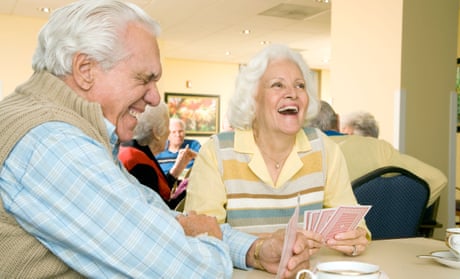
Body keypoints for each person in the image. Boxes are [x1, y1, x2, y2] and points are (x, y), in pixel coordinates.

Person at [0, 1, 312, 278]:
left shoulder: (69, 131)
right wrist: (208, 238)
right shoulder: (52, 144)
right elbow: (190, 271)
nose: (154, 97)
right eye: (144, 78)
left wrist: (254, 251)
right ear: (85, 70)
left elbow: (156, 217)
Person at [184, 44, 370, 257]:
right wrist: (261, 251)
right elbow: (200, 238)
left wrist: (355, 238)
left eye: (300, 86)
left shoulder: (324, 148)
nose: (292, 93)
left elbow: (356, 226)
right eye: (277, 85)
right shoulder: (216, 152)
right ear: (253, 98)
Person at [310, 100, 448, 207]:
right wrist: (405, 213)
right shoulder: (378, 148)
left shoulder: (303, 153)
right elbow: (437, 179)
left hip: (333, 239)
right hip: (389, 238)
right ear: (338, 120)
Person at [118, 102, 187, 209]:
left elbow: (158, 189)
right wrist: (189, 190)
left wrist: (177, 170)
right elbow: (161, 209)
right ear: (156, 132)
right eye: (167, 126)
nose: (169, 132)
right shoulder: (139, 164)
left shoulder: (132, 150)